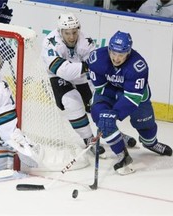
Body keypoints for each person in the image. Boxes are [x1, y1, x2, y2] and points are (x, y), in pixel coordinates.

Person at [41, 13, 136, 158]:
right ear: (60, 31)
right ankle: (88, 139)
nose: (72, 37)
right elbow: (64, 71)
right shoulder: (50, 42)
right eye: (67, 33)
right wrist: (87, 67)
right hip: (56, 77)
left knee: (97, 106)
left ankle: (111, 132)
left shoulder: (85, 41)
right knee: (72, 102)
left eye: (74, 32)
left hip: (81, 77)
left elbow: (96, 66)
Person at [86, 31, 172, 175]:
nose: (116, 58)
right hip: (109, 91)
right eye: (113, 53)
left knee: (145, 126)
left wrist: (114, 113)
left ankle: (151, 143)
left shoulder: (138, 66)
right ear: (109, 49)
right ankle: (123, 155)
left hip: (135, 96)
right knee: (102, 119)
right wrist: (105, 114)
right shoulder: (97, 59)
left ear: (128, 52)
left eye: (121, 54)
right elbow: (100, 89)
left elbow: (132, 98)